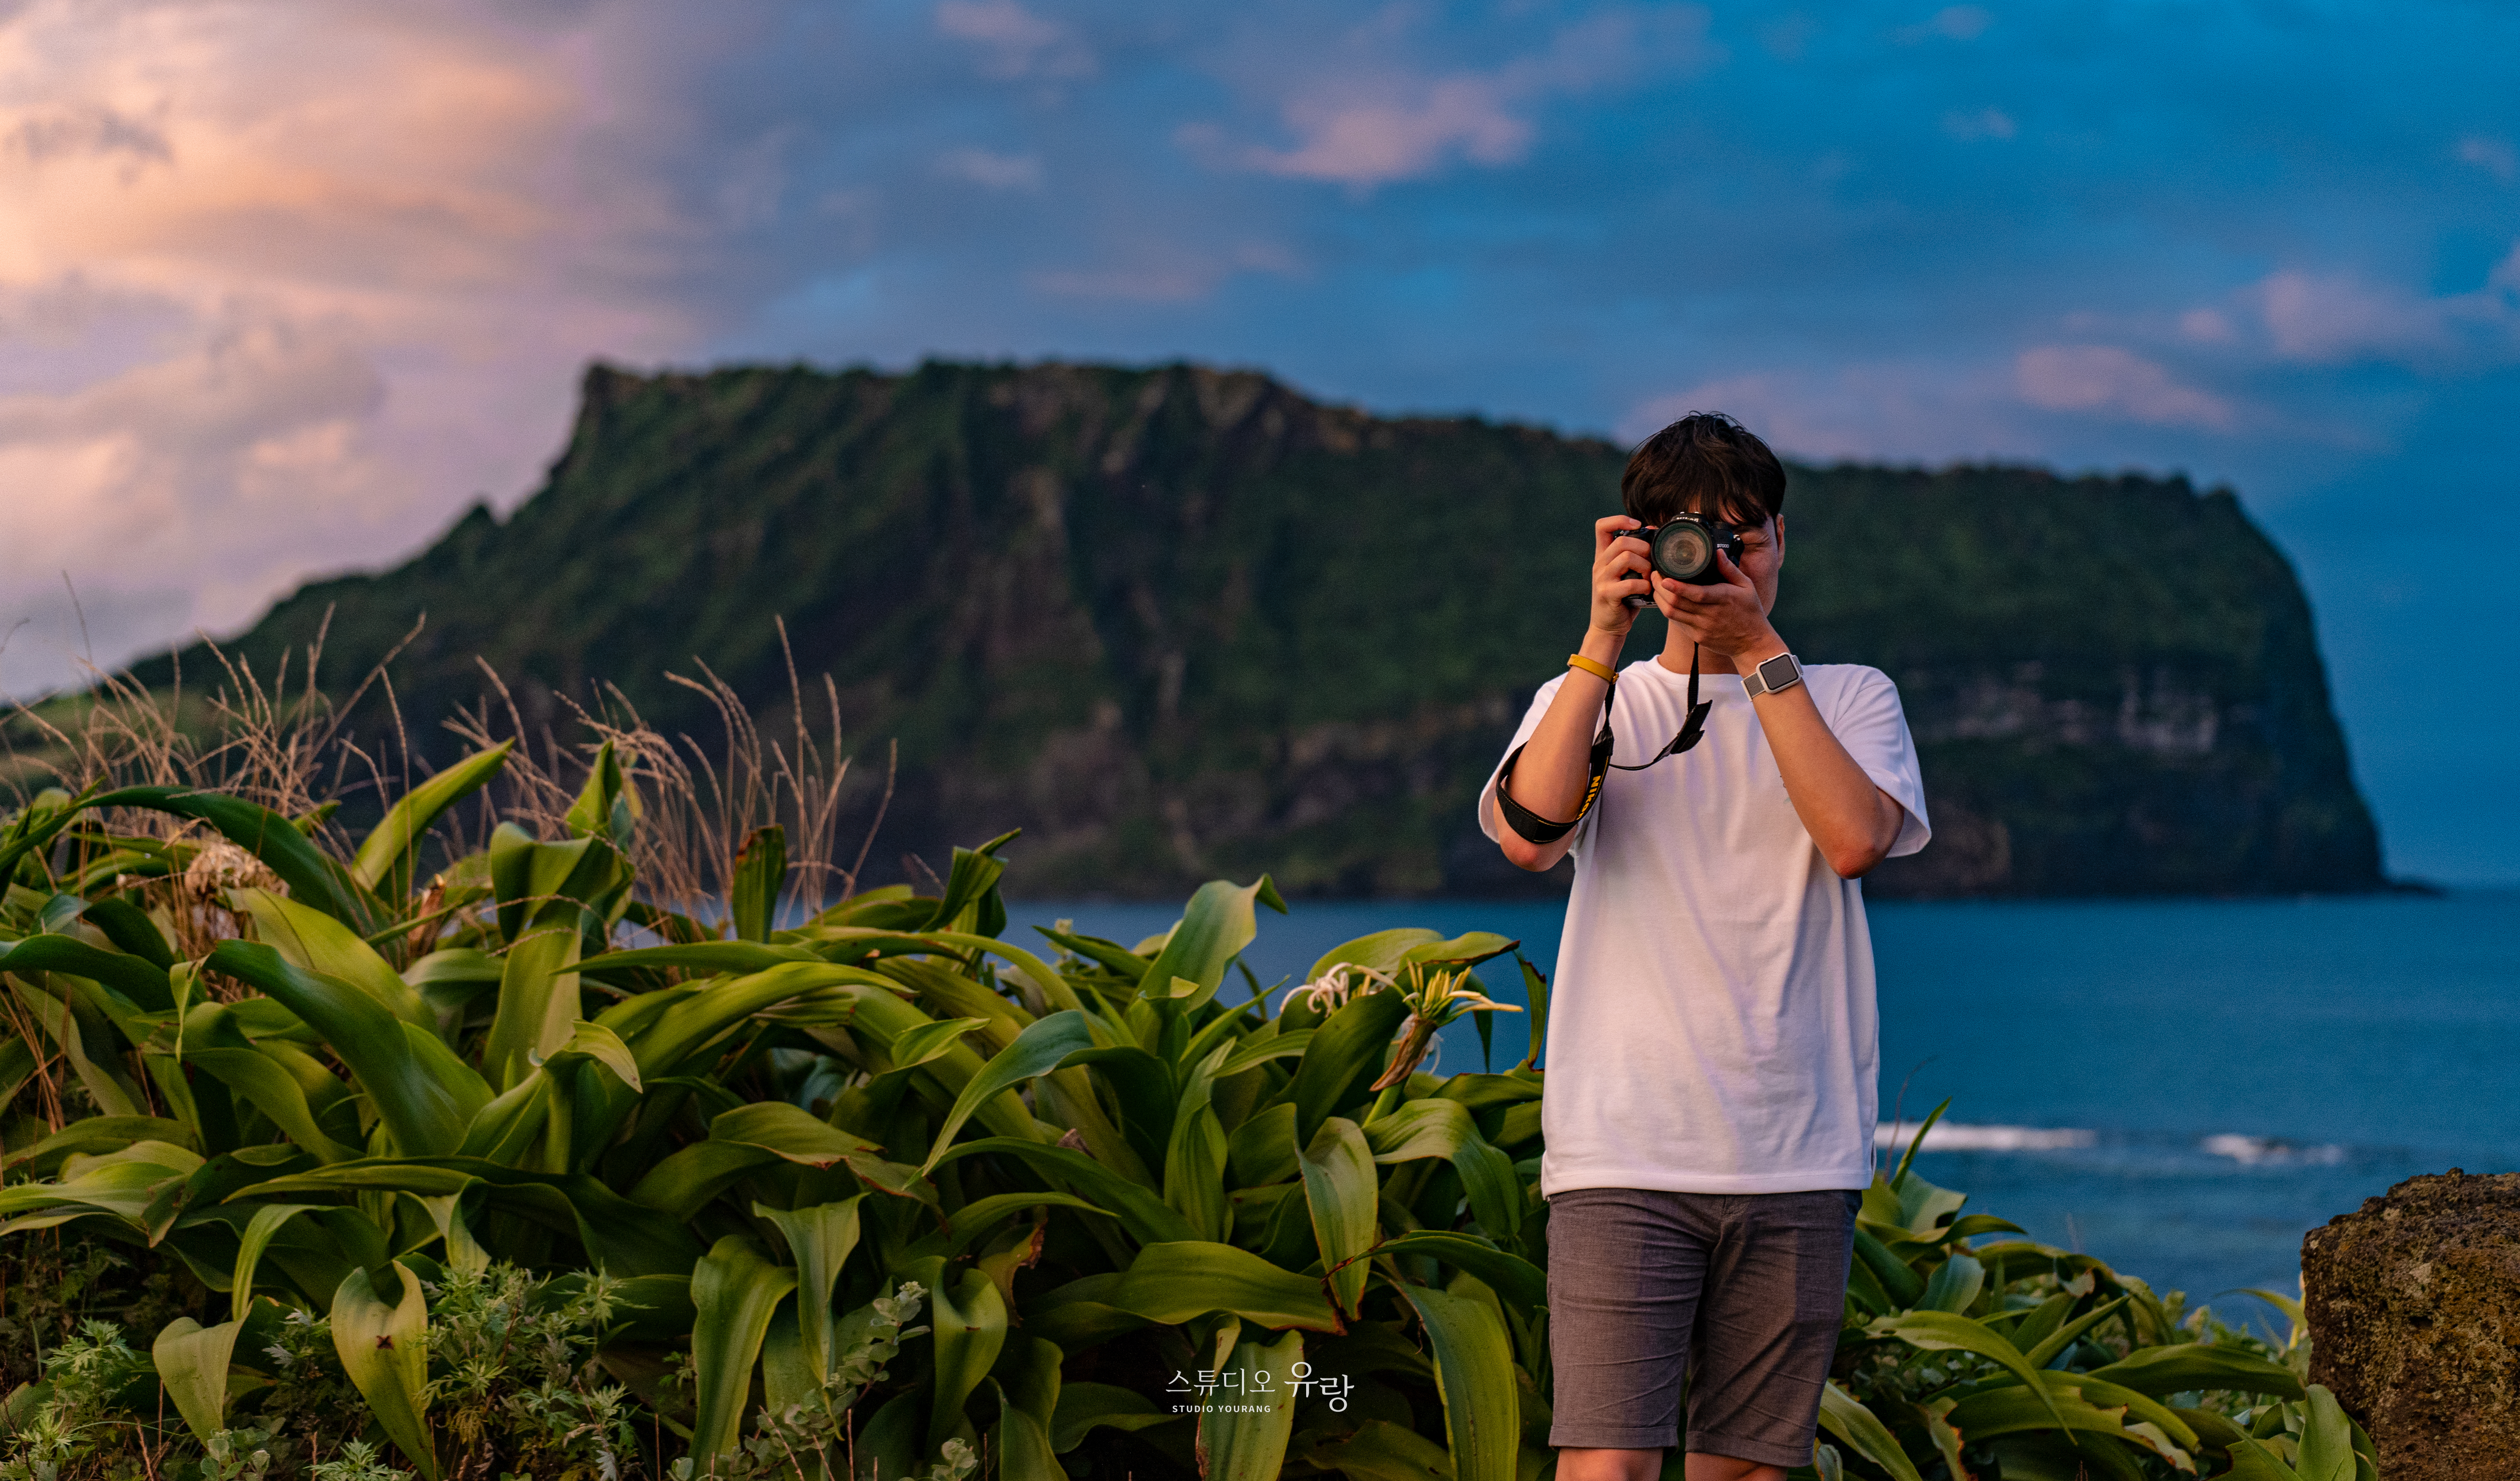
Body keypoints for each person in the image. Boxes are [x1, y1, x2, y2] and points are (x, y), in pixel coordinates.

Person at [1478, 413, 1931, 1481]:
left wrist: (1756, 653)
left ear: (1782, 540)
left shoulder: (1850, 695)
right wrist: (1600, 640)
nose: (1720, 560)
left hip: (1795, 1154)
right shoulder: (1591, 700)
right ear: (1637, 545)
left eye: (1747, 537)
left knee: (1749, 1472)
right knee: (1605, 1466)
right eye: (1691, 535)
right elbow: (1524, 836)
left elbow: (1854, 839)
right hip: (1624, 1150)